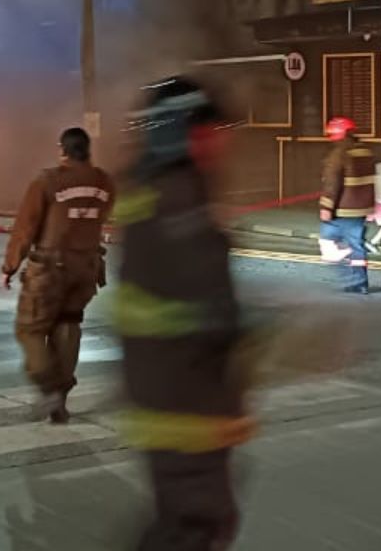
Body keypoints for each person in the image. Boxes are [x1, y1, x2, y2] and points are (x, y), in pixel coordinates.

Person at [115, 77, 254, 550]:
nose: (220, 142)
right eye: (209, 131)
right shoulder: (178, 201)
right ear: (178, 133)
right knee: (196, 530)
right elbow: (206, 308)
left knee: (188, 526)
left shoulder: (152, 193)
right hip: (186, 407)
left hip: (168, 400)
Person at [2, 126, 114, 424]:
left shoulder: (48, 181)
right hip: (86, 268)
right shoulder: (104, 182)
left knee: (30, 330)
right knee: (68, 325)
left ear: (63, 150)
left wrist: (10, 265)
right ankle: (60, 402)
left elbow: (25, 229)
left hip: (50, 269)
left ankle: (49, 388)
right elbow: (102, 216)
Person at [318, 117, 376, 294]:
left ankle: (347, 263)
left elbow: (332, 183)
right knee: (357, 245)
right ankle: (361, 283)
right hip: (360, 209)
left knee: (327, 244)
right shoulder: (365, 151)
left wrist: (327, 206)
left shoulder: (339, 153)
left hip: (342, 208)